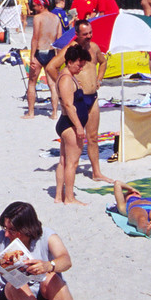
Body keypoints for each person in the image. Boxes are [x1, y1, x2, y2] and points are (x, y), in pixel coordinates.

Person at [46, 19, 113, 184]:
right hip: (78, 99)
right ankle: (70, 169)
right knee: (77, 137)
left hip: (93, 97)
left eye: (90, 33)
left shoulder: (95, 47)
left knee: (93, 137)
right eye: (85, 34)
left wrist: (99, 78)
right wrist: (66, 85)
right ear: (77, 34)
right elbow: (50, 67)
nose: (89, 36)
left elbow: (103, 62)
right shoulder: (71, 49)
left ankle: (96, 172)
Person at [53, 44, 93, 205]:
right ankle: (69, 197)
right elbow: (69, 105)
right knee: (71, 163)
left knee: (63, 161)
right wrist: (78, 126)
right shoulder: (66, 79)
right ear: (69, 61)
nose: (81, 67)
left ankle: (58, 196)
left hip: (67, 123)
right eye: (79, 64)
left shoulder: (67, 76)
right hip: (69, 124)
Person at [23, 0, 61, 118]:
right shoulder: (56, 18)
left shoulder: (37, 18)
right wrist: (58, 57)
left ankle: (31, 112)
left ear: (41, 5)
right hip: (51, 53)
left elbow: (35, 38)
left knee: (32, 83)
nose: (33, 8)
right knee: (52, 85)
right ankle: (54, 112)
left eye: (34, 6)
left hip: (40, 52)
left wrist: (32, 56)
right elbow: (58, 41)